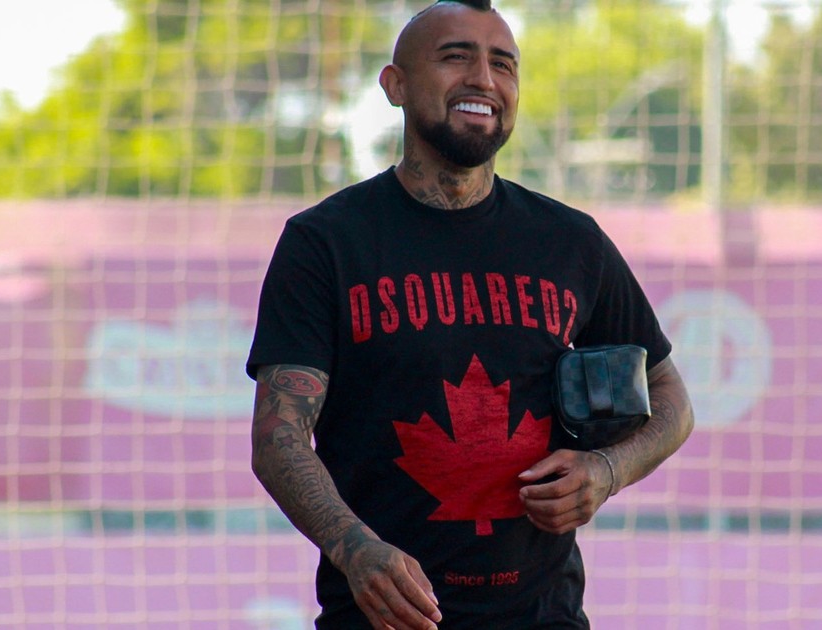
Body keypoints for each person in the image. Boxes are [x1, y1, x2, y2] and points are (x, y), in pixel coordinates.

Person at [246, 1, 694, 628]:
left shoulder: (571, 242)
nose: (484, 78)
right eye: (456, 57)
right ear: (395, 85)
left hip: (543, 618)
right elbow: (279, 438)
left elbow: (672, 398)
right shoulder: (325, 243)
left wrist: (607, 469)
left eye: (503, 64)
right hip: (381, 619)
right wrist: (356, 550)